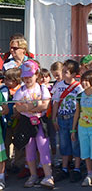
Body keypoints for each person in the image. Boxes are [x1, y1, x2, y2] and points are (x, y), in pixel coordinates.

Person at [13, 60, 54, 189]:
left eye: (30, 76)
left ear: (36, 74)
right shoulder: (20, 91)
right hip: (26, 123)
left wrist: (29, 106)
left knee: (43, 147)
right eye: (24, 76)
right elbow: (18, 108)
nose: (27, 79)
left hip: (40, 122)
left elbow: (45, 104)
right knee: (29, 149)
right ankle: (33, 175)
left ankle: (48, 175)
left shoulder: (42, 88)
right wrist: (35, 105)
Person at [71, 70, 92, 189]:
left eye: (87, 80)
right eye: (83, 80)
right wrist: (73, 129)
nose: (84, 83)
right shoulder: (80, 96)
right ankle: (89, 174)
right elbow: (77, 113)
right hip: (82, 127)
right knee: (85, 153)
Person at [51, 60, 83, 183]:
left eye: (66, 72)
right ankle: (64, 168)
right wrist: (54, 118)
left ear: (74, 74)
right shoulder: (58, 86)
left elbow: (80, 105)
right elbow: (55, 103)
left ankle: (77, 168)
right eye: (63, 71)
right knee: (64, 143)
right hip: (62, 117)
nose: (63, 74)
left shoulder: (78, 87)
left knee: (75, 143)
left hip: (73, 117)